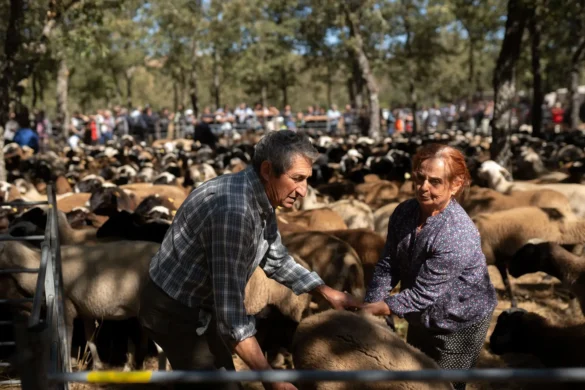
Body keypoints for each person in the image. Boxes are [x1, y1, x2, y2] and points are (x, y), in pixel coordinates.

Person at [138, 130, 360, 390]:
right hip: (175, 311)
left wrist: (323, 290)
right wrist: (270, 378)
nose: (303, 191)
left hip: (199, 305)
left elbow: (274, 256)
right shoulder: (235, 214)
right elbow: (232, 320)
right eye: (297, 179)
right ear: (267, 170)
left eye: (306, 179)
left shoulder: (258, 195)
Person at [360, 143, 497, 390]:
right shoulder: (404, 213)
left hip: (459, 321)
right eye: (419, 178)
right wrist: (373, 299)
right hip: (421, 315)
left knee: (444, 385)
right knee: (418, 377)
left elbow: (424, 293)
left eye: (435, 182)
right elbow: (389, 263)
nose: (424, 187)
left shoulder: (456, 232)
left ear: (455, 185)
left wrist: (378, 308)